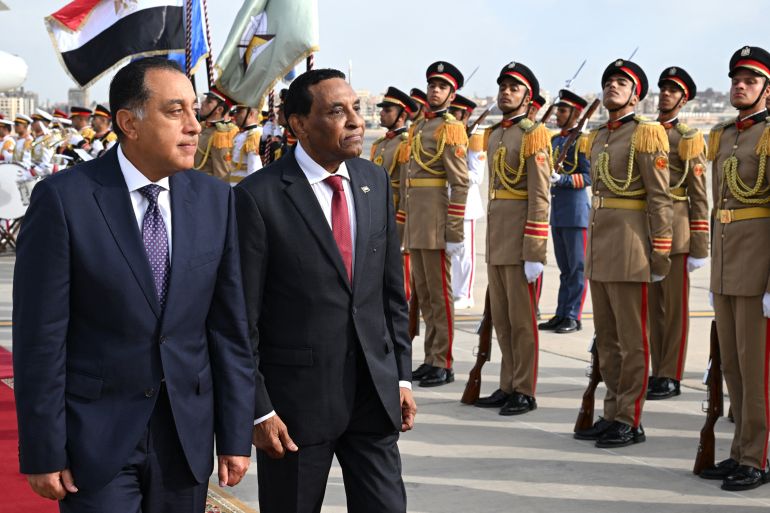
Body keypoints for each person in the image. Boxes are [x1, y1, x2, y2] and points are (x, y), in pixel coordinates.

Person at [12, 57, 256, 512]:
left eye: (194, 110)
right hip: (95, 437)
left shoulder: (216, 201)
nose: (194, 126)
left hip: (184, 439)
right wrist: (43, 448)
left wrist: (236, 433)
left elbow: (229, 330)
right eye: (174, 111)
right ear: (129, 123)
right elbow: (40, 339)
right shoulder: (65, 200)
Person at [235, 68, 416, 513]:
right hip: (295, 410)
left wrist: (402, 375)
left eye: (356, 107)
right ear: (298, 124)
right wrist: (259, 409)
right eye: (338, 111)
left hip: (373, 397)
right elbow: (242, 318)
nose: (356, 120)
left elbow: (391, 294)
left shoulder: (374, 183)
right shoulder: (259, 197)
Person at [574, 59, 672, 448]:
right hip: (600, 249)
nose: (613, 86)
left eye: (621, 82)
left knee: (633, 341)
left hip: (632, 248)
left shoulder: (646, 135)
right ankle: (612, 411)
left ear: (636, 94)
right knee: (608, 339)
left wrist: (660, 252)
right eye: (608, 81)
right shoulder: (598, 136)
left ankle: (630, 418)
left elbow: (660, 198)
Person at [700, 45, 770, 491]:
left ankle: (758, 457)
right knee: (734, 369)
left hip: (759, 265)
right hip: (727, 266)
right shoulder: (726, 134)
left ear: (767, 88)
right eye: (735, 79)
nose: (739, 85)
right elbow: (719, 204)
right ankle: (739, 451)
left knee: (759, 369)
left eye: (749, 80)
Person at [474, 61, 551, 416]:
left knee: (522, 322)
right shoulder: (497, 133)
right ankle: (507, 384)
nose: (506, 92)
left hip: (521, 241)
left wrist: (535, 248)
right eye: (503, 86)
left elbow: (540, 194)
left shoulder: (533, 134)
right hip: (498, 239)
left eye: (514, 88)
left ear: (528, 97)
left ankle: (525, 388)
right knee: (502, 319)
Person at [402, 61, 469, 387]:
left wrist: (454, 231)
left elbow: (461, 183)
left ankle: (443, 361)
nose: (434, 91)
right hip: (418, 223)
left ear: (452, 93)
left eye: (441, 87)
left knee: (441, 297)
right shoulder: (420, 127)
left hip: (437, 224)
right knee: (425, 296)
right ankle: (430, 358)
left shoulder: (451, 128)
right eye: (432, 86)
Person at [647, 66, 709, 400]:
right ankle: (653, 369)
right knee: (648, 308)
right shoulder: (644, 132)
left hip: (675, 229)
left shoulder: (687, 138)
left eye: (673, 90)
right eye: (663, 89)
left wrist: (699, 244)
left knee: (672, 308)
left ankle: (669, 374)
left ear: (684, 99)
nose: (666, 94)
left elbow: (699, 192)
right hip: (644, 228)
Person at [538, 89, 591, 334]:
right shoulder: (556, 140)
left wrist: (565, 180)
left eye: (562, 110)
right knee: (565, 269)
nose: (557, 114)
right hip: (558, 212)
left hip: (576, 213)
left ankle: (573, 315)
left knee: (578, 268)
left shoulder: (582, 141)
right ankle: (561, 313)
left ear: (576, 114)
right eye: (558, 109)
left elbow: (589, 176)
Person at [448, 93, 485, 309]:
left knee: (464, 252)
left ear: (466, 115)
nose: (451, 116)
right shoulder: (447, 135)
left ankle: (465, 293)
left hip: (466, 205)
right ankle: (453, 290)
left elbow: (477, 176)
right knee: (449, 251)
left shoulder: (475, 138)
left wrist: (453, 173)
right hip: (446, 201)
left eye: (456, 112)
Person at [194, 87, 237, 180]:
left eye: (208, 102)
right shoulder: (202, 127)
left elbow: (222, 174)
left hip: (205, 188)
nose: (203, 103)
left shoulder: (222, 135)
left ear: (220, 109)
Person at [230, 103, 263, 186]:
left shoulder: (254, 136)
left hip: (244, 187)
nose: (235, 114)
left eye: (239, 112)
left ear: (250, 114)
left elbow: (254, 169)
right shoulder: (240, 134)